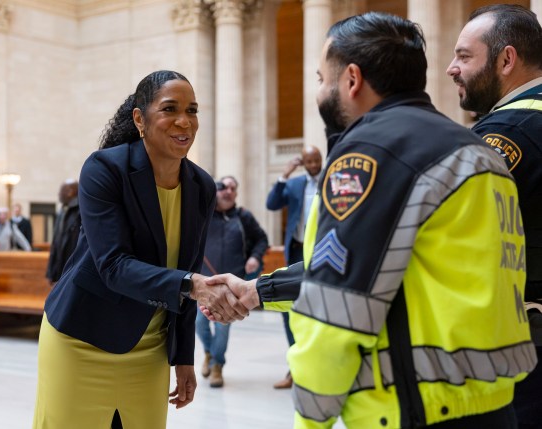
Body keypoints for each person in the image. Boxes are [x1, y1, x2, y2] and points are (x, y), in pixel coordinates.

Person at [203, 12, 537, 429]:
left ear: (352, 80)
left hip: (414, 408)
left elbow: (337, 308)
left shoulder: (370, 156)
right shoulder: (477, 152)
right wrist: (258, 292)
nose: (320, 91)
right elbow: (396, 267)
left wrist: (312, 421)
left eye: (322, 78)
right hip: (494, 405)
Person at [31, 70, 248, 429]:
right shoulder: (104, 169)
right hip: (81, 338)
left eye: (192, 110)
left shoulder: (201, 186)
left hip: (149, 351)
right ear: (140, 119)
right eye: (170, 109)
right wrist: (193, 285)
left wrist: (183, 358)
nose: (184, 121)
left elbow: (189, 268)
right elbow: (113, 265)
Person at [446, 5, 542, 428]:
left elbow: (435, 240)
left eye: (464, 56)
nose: (451, 69)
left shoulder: (506, 134)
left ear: (506, 60)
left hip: (525, 358)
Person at [196, 175, 268, 388]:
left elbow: (261, 239)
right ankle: (209, 352)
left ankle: (217, 364)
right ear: (215, 190)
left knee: (223, 327)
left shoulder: (244, 216)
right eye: (223, 187)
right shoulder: (203, 215)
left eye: (232, 188)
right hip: (204, 282)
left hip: (233, 284)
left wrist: (255, 257)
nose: (228, 191)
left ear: (236, 193)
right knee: (199, 324)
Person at [266, 146, 322, 389]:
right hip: (297, 251)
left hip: (323, 252)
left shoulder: (332, 178)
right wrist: (284, 175)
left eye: (316, 160)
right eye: (308, 161)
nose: (313, 165)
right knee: (290, 310)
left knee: (320, 309)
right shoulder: (296, 183)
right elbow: (272, 203)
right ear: (303, 162)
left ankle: (318, 368)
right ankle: (294, 370)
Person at [46, 179, 80, 286]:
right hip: (60, 270)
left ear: (70, 192)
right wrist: (52, 272)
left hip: (74, 272)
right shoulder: (62, 212)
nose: (59, 194)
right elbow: (56, 242)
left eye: (61, 191)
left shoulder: (81, 211)